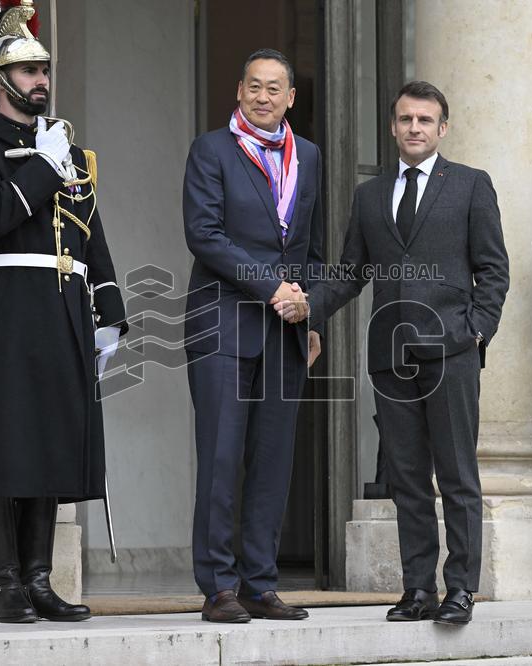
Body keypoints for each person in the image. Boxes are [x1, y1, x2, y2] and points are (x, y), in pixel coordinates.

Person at [0, 0, 125, 623]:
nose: (42, 81)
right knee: (3, 439)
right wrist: (45, 165)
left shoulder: (66, 146)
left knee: (48, 440)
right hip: (8, 304)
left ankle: (40, 577)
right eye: (29, 71)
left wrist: (110, 309)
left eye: (45, 71)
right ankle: (5, 582)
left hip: (63, 304)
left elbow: (90, 232)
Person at [291, 81, 509, 625]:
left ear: (443, 128)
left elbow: (494, 269)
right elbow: (350, 272)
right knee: (407, 479)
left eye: (426, 120)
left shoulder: (471, 186)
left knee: (457, 475)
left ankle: (461, 589)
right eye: (406, 119)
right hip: (390, 356)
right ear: (393, 127)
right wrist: (307, 310)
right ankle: (418, 590)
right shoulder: (370, 195)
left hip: (452, 351)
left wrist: (476, 331)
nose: (415, 128)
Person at [182, 48, 324, 623]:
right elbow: (205, 235)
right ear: (239, 92)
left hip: (286, 330)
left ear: (291, 98)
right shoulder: (210, 150)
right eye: (254, 87)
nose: (264, 97)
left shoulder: (308, 156)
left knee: (273, 459)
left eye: (275, 89)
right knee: (220, 455)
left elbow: (310, 247)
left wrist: (309, 315)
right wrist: (272, 288)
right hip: (223, 322)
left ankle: (258, 584)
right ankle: (218, 587)